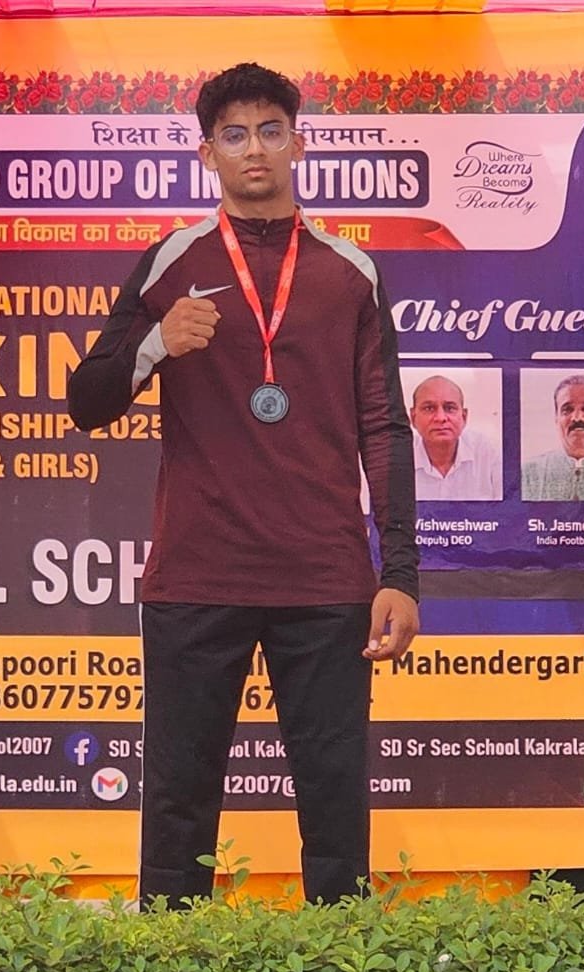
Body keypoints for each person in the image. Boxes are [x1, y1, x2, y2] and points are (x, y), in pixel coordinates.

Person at [67, 63, 420, 908]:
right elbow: (87, 402)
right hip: (198, 575)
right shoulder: (173, 261)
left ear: (299, 144)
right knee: (178, 805)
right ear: (207, 154)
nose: (253, 148)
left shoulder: (351, 270)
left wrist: (401, 574)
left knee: (336, 805)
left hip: (326, 579)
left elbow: (384, 427)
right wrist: (156, 344)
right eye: (234, 134)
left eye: (269, 130)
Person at [409, 374, 501, 501]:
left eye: (449, 408)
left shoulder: (489, 453)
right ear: (413, 417)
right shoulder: (396, 458)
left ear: (464, 417)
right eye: (429, 408)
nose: (441, 418)